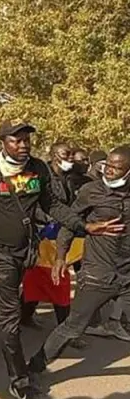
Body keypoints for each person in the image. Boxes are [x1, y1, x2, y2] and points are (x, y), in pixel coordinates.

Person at [0, 121, 122, 399]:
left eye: (27, 141)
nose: (24, 145)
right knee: (10, 317)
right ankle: (20, 380)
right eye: (17, 140)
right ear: (3, 142)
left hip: (24, 251)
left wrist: (85, 227)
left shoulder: (38, 169)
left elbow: (53, 205)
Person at [28, 145, 130, 379]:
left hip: (127, 273)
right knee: (73, 326)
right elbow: (70, 224)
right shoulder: (90, 191)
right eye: (108, 166)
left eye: (117, 168)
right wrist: (60, 258)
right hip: (98, 273)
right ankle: (33, 367)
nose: (110, 171)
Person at [20, 142, 88, 348]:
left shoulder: (67, 179)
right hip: (42, 234)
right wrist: (48, 218)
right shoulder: (37, 174)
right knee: (49, 279)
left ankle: (26, 316)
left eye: (70, 155)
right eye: (65, 154)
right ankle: (66, 331)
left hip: (58, 235)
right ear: (53, 155)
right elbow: (27, 203)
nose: (70, 159)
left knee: (50, 279)